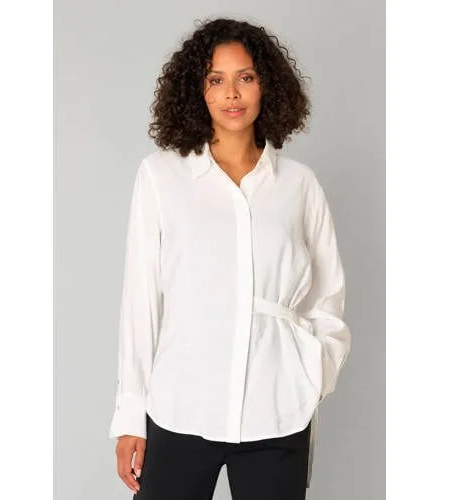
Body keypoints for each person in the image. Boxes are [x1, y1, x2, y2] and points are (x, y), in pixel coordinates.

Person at [109, 17, 351, 500]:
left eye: (246, 77)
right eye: (215, 80)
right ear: (196, 91)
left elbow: (327, 297)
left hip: (277, 408)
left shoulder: (299, 185)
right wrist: (131, 414)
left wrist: (312, 374)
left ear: (267, 85)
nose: (232, 94)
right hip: (181, 405)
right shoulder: (161, 176)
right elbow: (141, 300)